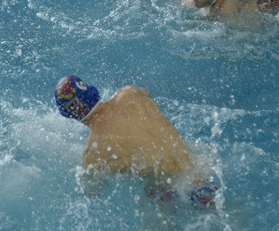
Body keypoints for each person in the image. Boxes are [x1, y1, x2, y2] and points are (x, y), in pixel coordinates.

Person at [54, 75, 218, 208]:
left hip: (171, 190)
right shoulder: (130, 93)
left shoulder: (93, 155)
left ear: (70, 115)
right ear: (91, 91)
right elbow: (147, 94)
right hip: (199, 172)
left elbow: (94, 192)